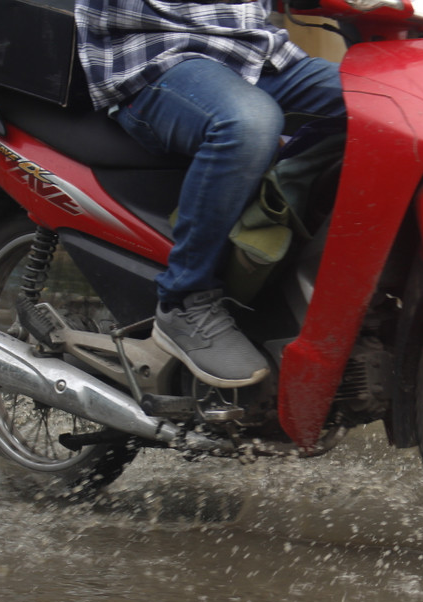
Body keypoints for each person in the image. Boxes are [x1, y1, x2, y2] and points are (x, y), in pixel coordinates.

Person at [74, 0, 345, 388]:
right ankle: (185, 301)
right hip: (160, 55)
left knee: (396, 103)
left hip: (259, 51)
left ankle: (299, 283)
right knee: (247, 124)